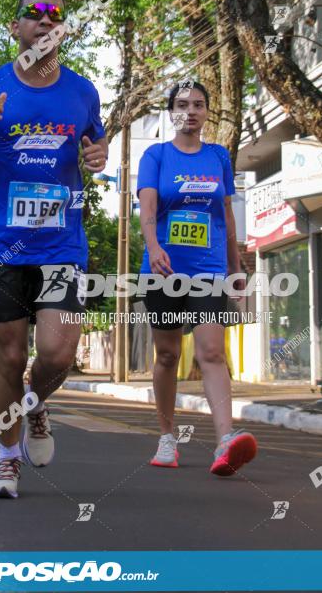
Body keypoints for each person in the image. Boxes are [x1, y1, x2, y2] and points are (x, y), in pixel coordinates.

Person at [0, 0, 108, 498]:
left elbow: (96, 145)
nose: (45, 21)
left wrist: (98, 159)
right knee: (9, 357)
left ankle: (37, 405)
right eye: (33, 13)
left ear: (62, 29)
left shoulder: (83, 92)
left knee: (59, 353)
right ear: (15, 28)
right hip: (1, 245)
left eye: (54, 14)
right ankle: (7, 459)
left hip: (61, 242)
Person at [137, 81, 257, 476]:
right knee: (168, 355)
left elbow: (226, 214)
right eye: (182, 104)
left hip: (209, 269)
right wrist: (154, 247)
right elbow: (149, 207)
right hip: (164, 269)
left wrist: (235, 265)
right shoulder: (155, 155)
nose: (190, 111)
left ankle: (225, 441)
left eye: (198, 105)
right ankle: (167, 438)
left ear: (208, 112)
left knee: (212, 352)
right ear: (171, 111)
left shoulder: (218, 156)